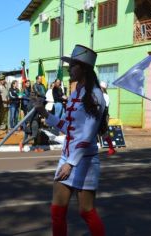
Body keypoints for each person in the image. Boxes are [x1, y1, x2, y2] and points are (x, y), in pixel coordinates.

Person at [34, 45, 106, 235]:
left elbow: (88, 134)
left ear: (83, 67)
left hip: (85, 161)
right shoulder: (75, 93)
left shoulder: (95, 95)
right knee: (57, 211)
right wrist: (44, 113)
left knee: (86, 211)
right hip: (67, 158)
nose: (68, 69)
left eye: (72, 65)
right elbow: (68, 127)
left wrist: (71, 163)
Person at [100, 81, 116, 156]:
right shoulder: (99, 95)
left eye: (100, 87)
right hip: (99, 115)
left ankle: (111, 148)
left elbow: (104, 108)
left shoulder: (105, 96)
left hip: (103, 115)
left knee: (104, 133)